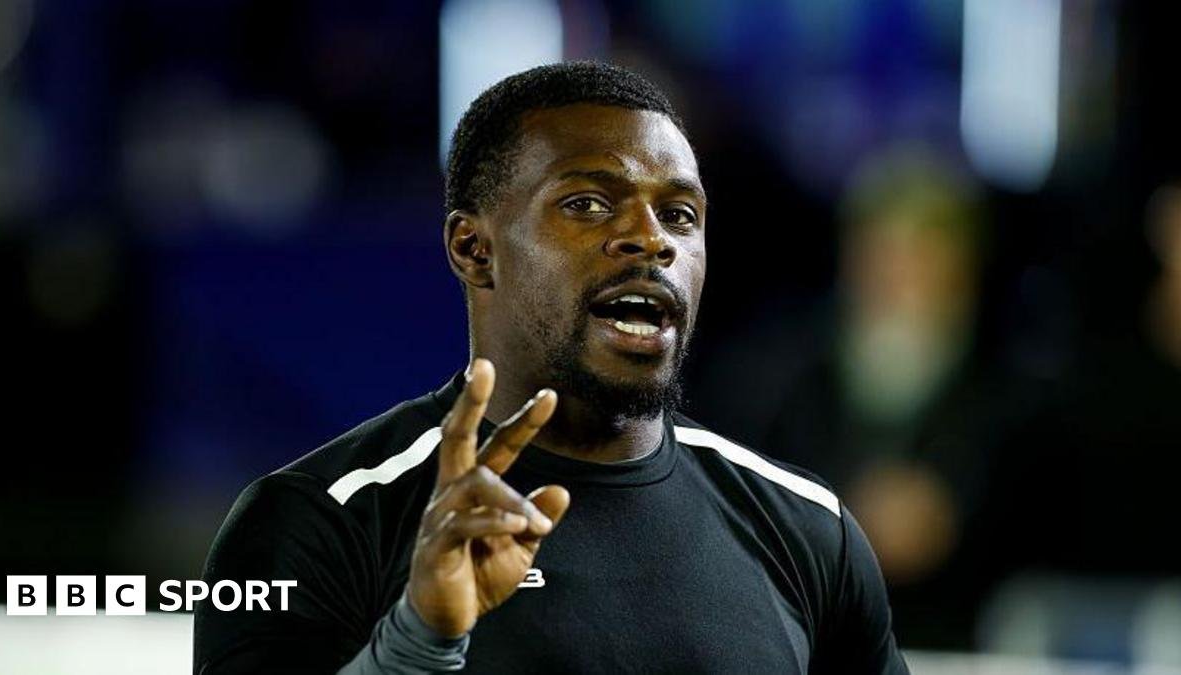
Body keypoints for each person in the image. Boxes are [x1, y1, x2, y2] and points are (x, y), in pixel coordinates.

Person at [193, 61, 908, 674]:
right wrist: (416, 642)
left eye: (680, 215)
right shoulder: (319, 521)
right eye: (589, 204)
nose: (651, 240)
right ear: (474, 249)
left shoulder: (810, 530)